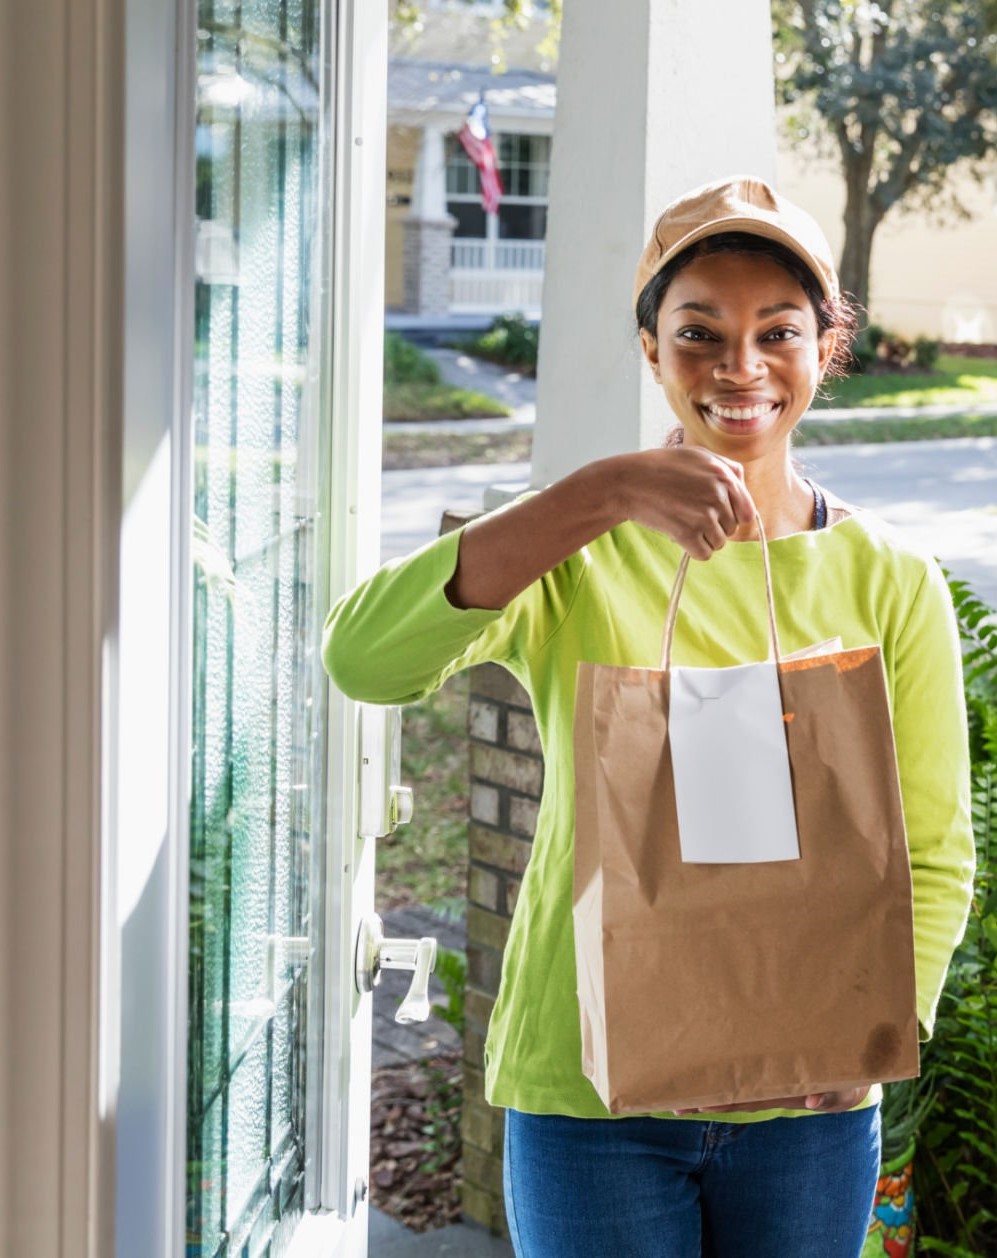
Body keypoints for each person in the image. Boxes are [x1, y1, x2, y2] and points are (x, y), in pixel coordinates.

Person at [324, 177, 975, 1257]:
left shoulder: (888, 579)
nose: (739, 367)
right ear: (649, 348)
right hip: (589, 1096)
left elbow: (935, 845)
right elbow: (363, 659)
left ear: (827, 345)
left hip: (806, 1106)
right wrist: (595, 495)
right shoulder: (576, 551)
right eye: (698, 333)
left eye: (778, 332)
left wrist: (875, 1034)